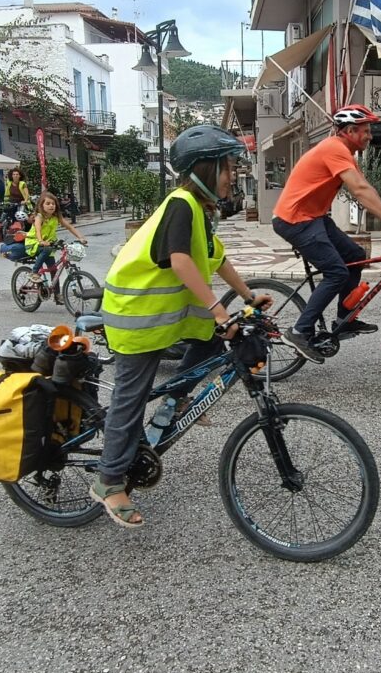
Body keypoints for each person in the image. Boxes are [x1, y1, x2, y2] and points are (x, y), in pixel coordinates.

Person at [93, 126, 272, 529]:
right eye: (227, 168)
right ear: (204, 169)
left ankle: (175, 401)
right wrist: (216, 308)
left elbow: (216, 259)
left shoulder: (201, 212)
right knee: (131, 397)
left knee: (213, 340)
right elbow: (180, 261)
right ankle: (109, 482)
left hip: (163, 316)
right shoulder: (180, 204)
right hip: (135, 317)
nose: (232, 176)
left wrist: (246, 297)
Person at [271, 104, 381, 363]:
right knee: (336, 271)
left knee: (354, 254)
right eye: (366, 131)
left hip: (314, 218)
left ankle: (344, 318)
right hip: (294, 220)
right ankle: (299, 331)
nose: (370, 136)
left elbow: (366, 189)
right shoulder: (334, 148)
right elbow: (359, 190)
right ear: (349, 131)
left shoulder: (344, 152)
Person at [24, 191, 88, 303]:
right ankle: (34, 273)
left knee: (54, 270)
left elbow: (69, 227)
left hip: (49, 245)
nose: (51, 206)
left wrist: (80, 237)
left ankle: (57, 295)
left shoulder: (56, 217)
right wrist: (41, 241)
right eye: (48, 203)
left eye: (53, 204)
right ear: (41, 206)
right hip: (34, 243)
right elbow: (38, 230)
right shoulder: (39, 216)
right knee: (47, 250)